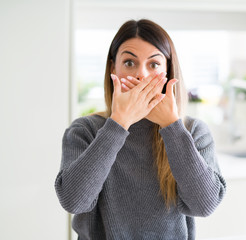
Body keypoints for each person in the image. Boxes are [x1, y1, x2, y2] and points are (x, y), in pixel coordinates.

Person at [55, 19, 226, 240]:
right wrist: (118, 124)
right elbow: (74, 202)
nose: (141, 75)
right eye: (129, 62)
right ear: (112, 68)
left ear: (168, 71)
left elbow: (205, 206)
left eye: (154, 64)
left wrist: (172, 127)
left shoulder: (192, 131)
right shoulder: (85, 130)